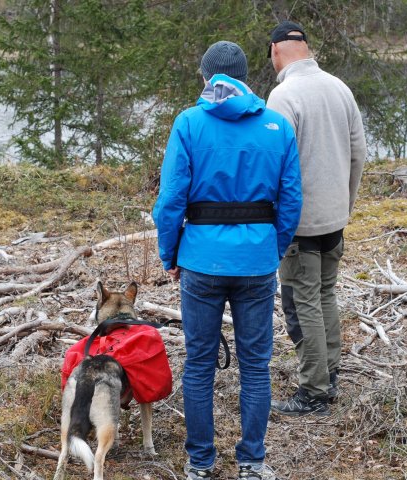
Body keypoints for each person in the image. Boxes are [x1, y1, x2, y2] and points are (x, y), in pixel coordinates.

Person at [152, 41, 302, 480]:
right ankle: (252, 463)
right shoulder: (276, 125)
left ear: (205, 77)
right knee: (256, 365)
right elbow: (291, 201)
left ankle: (200, 464)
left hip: (200, 261)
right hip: (256, 262)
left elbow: (170, 201)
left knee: (199, 362)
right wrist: (271, 249)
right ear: (244, 76)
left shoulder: (189, 123)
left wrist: (170, 252)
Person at [266, 21, 366, 417]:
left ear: (275, 52)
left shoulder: (283, 95)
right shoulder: (339, 88)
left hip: (300, 224)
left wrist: (275, 221)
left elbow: (275, 166)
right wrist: (345, 204)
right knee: (325, 295)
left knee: (301, 301)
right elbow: (359, 154)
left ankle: (313, 391)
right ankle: (329, 373)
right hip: (334, 219)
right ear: (305, 48)